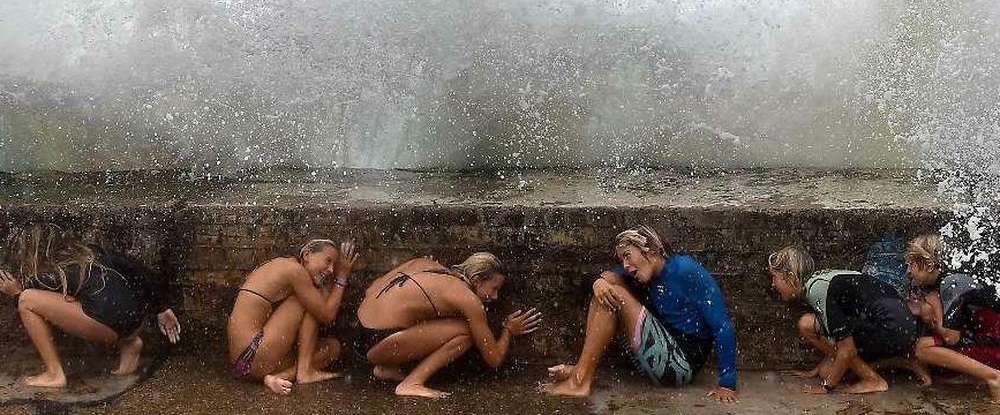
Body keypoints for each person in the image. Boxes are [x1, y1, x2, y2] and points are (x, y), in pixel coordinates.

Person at [543, 225, 739, 403]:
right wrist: (597, 282)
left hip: (681, 367)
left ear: (650, 249)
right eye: (622, 260)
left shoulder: (685, 270)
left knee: (615, 294)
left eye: (628, 255)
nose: (626, 265)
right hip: (652, 360)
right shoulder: (640, 276)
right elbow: (595, 278)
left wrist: (727, 384)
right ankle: (581, 371)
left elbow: (723, 326)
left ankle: (579, 381)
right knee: (604, 288)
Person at [0, 226, 181, 388]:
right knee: (89, 298)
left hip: (110, 327)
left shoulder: (47, 275)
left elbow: (45, 305)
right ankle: (130, 343)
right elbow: (136, 269)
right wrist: (162, 308)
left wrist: (16, 293)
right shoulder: (94, 251)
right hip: (137, 318)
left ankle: (54, 375)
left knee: (27, 300)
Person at [354, 252, 542, 399]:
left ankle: (386, 368)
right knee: (466, 331)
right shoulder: (468, 300)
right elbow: (493, 359)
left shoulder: (426, 263)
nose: (495, 297)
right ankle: (411, 384)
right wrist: (508, 330)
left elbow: (371, 288)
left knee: (427, 316)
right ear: (477, 280)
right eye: (494, 289)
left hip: (358, 333)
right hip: (375, 342)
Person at [767, 245, 925, 394]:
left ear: (790, 277)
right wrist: (820, 367)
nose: (773, 284)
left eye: (774, 277)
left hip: (891, 328)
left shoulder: (817, 289)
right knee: (826, 370)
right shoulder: (821, 279)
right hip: (903, 325)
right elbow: (839, 328)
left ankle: (874, 380)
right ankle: (901, 361)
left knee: (807, 325)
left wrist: (826, 387)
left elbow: (847, 347)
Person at [227, 239, 357, 395]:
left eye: (334, 267)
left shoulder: (282, 265)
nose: (330, 270)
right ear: (307, 255)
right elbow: (327, 315)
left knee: (332, 348)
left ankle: (277, 377)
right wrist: (341, 277)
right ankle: (304, 372)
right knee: (313, 302)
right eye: (328, 261)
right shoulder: (295, 271)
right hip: (253, 353)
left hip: (243, 366)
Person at [905, 234, 1000, 401]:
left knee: (922, 348)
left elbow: (951, 337)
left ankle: (993, 377)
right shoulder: (943, 281)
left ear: (929, 265)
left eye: (912, 264)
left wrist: (932, 311)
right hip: (983, 338)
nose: (908, 270)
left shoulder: (951, 283)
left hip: (995, 344)